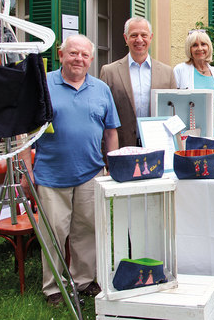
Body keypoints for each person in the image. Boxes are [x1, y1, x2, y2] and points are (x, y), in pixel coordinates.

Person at [25, 35, 120, 306]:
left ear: (91, 59)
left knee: (87, 229)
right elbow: (28, 132)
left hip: (91, 172)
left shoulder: (101, 88)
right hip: (50, 174)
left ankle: (83, 280)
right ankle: (53, 285)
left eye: (84, 55)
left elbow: (111, 131)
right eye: (73, 53)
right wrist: (26, 170)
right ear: (61, 54)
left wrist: (110, 165)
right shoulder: (43, 85)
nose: (78, 59)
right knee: (54, 231)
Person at [100, 17, 177, 147]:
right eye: (134, 35)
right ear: (126, 38)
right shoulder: (109, 72)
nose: (139, 40)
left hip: (157, 146)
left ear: (151, 37)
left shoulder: (167, 73)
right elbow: (102, 115)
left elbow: (174, 113)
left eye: (144, 35)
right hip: (122, 147)